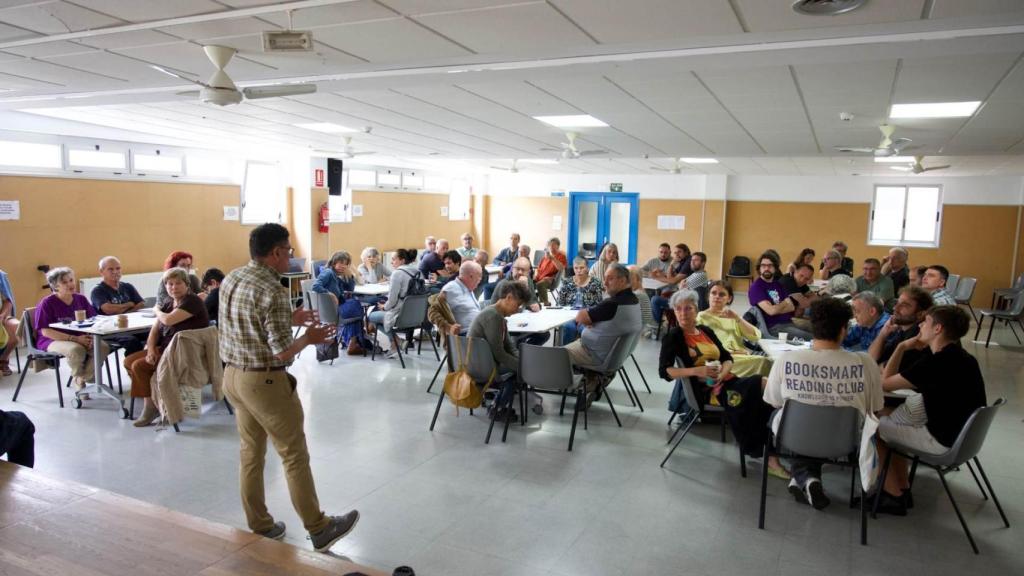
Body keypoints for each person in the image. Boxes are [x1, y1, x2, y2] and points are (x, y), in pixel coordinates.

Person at [219, 223, 358, 551]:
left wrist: (289, 319)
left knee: (251, 453)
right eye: (289, 251)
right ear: (276, 252)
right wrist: (309, 338)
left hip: (233, 377)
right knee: (293, 454)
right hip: (264, 382)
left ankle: (260, 524)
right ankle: (319, 528)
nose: (291, 257)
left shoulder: (233, 277)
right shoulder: (273, 290)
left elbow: (248, 321)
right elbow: (282, 352)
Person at [764, 298, 884, 510]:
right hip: (846, 441)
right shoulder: (865, 363)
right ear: (844, 329)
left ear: (813, 327)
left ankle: (805, 478)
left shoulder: (786, 360)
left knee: (781, 418)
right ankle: (807, 479)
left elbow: (774, 402)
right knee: (819, 426)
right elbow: (875, 408)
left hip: (796, 436)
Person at [660, 289, 784, 476]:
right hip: (708, 391)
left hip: (727, 380)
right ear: (674, 312)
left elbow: (727, 358)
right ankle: (771, 451)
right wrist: (697, 371)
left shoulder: (705, 331)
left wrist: (722, 373)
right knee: (764, 386)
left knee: (765, 393)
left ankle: (768, 450)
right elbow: (665, 372)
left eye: (688, 308)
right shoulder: (674, 336)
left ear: (696, 310)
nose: (683, 313)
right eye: (678, 309)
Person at [876, 306, 986, 515]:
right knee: (890, 419)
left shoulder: (935, 363)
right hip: (964, 440)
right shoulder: (966, 359)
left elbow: (885, 383)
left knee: (872, 427)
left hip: (941, 441)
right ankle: (902, 487)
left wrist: (901, 347)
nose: (920, 326)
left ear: (938, 328)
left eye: (925, 322)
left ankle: (893, 495)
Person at [124, 267, 210, 427]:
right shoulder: (169, 302)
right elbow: (155, 330)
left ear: (187, 285)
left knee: (139, 366)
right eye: (169, 284)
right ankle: (156, 398)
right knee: (129, 361)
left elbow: (168, 320)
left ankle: (150, 408)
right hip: (166, 349)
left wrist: (156, 310)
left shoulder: (192, 301)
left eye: (178, 283)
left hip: (184, 353)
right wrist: (150, 350)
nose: (173, 287)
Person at [564, 264, 641, 390]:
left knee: (557, 354)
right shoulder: (633, 300)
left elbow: (580, 317)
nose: (605, 283)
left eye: (610, 278)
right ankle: (590, 379)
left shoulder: (612, 304)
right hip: (611, 355)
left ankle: (569, 385)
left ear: (622, 280)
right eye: (605, 278)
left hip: (593, 354)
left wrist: (589, 320)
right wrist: (592, 320)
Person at [469, 280, 531, 419]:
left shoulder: (498, 315)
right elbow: (499, 354)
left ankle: (498, 404)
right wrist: (522, 367)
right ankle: (497, 408)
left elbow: (510, 347)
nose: (518, 309)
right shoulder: (493, 317)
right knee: (514, 375)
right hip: (481, 367)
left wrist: (522, 361)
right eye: (517, 305)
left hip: (481, 362)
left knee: (518, 369)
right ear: (508, 298)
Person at [697, 281, 772, 377]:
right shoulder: (701, 317)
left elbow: (755, 336)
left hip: (740, 358)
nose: (717, 297)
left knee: (771, 362)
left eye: (722, 294)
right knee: (764, 362)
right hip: (721, 360)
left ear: (729, 299)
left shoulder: (732, 317)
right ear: (708, 296)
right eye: (713, 293)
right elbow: (702, 347)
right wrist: (733, 352)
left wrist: (737, 318)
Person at [748, 253, 812, 341]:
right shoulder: (756, 287)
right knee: (813, 338)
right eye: (763, 266)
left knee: (820, 329)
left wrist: (777, 307)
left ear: (775, 268)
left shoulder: (777, 284)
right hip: (774, 328)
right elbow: (772, 311)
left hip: (789, 322)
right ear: (759, 268)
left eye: (770, 266)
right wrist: (784, 303)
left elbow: (791, 307)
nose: (766, 268)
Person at [369, 248, 421, 357]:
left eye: (393, 259)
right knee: (381, 315)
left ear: (402, 260)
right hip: (417, 315)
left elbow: (392, 301)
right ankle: (396, 342)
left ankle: (396, 342)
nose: (391, 262)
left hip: (401, 315)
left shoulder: (397, 274)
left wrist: (384, 307)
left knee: (371, 317)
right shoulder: (417, 272)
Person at [868, 285, 933, 368]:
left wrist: (879, 366)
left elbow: (885, 370)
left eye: (904, 305)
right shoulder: (902, 331)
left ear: (920, 314)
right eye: (897, 303)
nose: (895, 308)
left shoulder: (918, 337)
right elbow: (871, 358)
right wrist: (883, 334)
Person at [491, 257, 547, 346]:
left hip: (522, 322)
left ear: (528, 272)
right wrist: (523, 288)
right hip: (505, 325)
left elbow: (533, 301)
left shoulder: (528, 281)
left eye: (523, 270)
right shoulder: (504, 285)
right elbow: (511, 309)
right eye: (517, 269)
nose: (520, 272)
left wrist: (536, 305)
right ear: (512, 269)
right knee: (517, 339)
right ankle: (519, 350)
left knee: (544, 334)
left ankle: (523, 350)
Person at [556, 257, 604, 344]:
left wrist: (586, 317)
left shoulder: (595, 283)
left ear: (587, 268)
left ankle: (583, 351)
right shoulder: (567, 282)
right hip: (568, 316)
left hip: (587, 316)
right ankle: (566, 351)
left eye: (582, 268)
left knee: (584, 329)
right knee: (569, 328)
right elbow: (559, 303)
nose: (579, 271)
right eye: (576, 268)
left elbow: (599, 305)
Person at [650, 243, 692, 329]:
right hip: (682, 294)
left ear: (686, 252)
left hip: (686, 298)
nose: (677, 254)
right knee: (665, 294)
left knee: (655, 299)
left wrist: (656, 277)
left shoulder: (688, 262)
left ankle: (658, 324)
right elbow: (670, 277)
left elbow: (673, 281)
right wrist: (671, 265)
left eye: (679, 252)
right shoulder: (683, 261)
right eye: (675, 253)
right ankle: (672, 323)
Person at [311, 251, 357, 322]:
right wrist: (330, 294)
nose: (343, 266)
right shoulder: (328, 272)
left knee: (356, 307)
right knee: (357, 309)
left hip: (335, 307)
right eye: (341, 263)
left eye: (346, 264)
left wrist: (350, 276)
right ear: (333, 262)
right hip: (329, 309)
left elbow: (350, 289)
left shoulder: (336, 276)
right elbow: (315, 286)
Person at [440, 261, 483, 335]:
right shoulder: (450, 289)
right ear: (471, 276)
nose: (480, 278)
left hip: (475, 332)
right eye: (479, 275)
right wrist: (449, 328)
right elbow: (435, 311)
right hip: (464, 335)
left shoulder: (467, 287)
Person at [534, 237, 567, 305]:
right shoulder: (544, 258)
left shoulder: (561, 256)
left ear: (558, 246)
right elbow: (539, 269)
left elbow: (561, 268)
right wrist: (535, 276)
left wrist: (552, 258)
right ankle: (532, 302)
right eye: (549, 245)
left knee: (540, 284)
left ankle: (544, 303)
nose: (551, 246)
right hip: (540, 278)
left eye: (553, 244)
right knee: (527, 282)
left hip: (551, 280)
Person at [0, 269, 20, 377]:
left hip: (2, 316)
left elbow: (8, 301)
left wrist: (2, 316)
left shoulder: (0, 275)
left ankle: (3, 359)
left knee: (17, 327)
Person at [628, 266, 656, 338]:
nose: (628, 283)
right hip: (642, 325)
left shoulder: (637, 294)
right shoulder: (641, 291)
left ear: (638, 279)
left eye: (631, 279)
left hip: (639, 327)